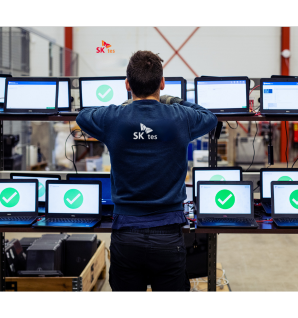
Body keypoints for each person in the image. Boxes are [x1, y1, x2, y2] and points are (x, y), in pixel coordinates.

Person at [76, 50, 217, 292]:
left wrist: (123, 106)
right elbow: (209, 117)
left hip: (126, 234)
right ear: (162, 83)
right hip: (168, 235)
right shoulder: (180, 116)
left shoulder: (113, 117)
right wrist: (174, 100)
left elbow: (83, 116)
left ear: (127, 84)